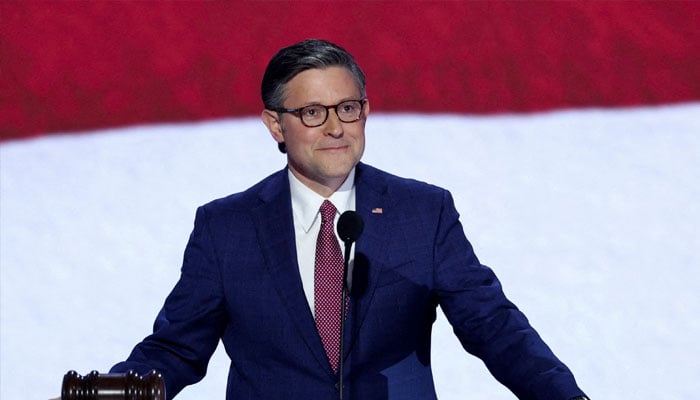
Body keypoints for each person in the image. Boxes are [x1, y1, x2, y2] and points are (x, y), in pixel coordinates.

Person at [111, 39, 589, 400]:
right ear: (275, 124)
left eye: (347, 108)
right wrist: (107, 394)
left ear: (366, 111)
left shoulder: (422, 213)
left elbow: (493, 327)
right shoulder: (226, 228)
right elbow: (175, 351)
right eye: (313, 112)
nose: (336, 127)